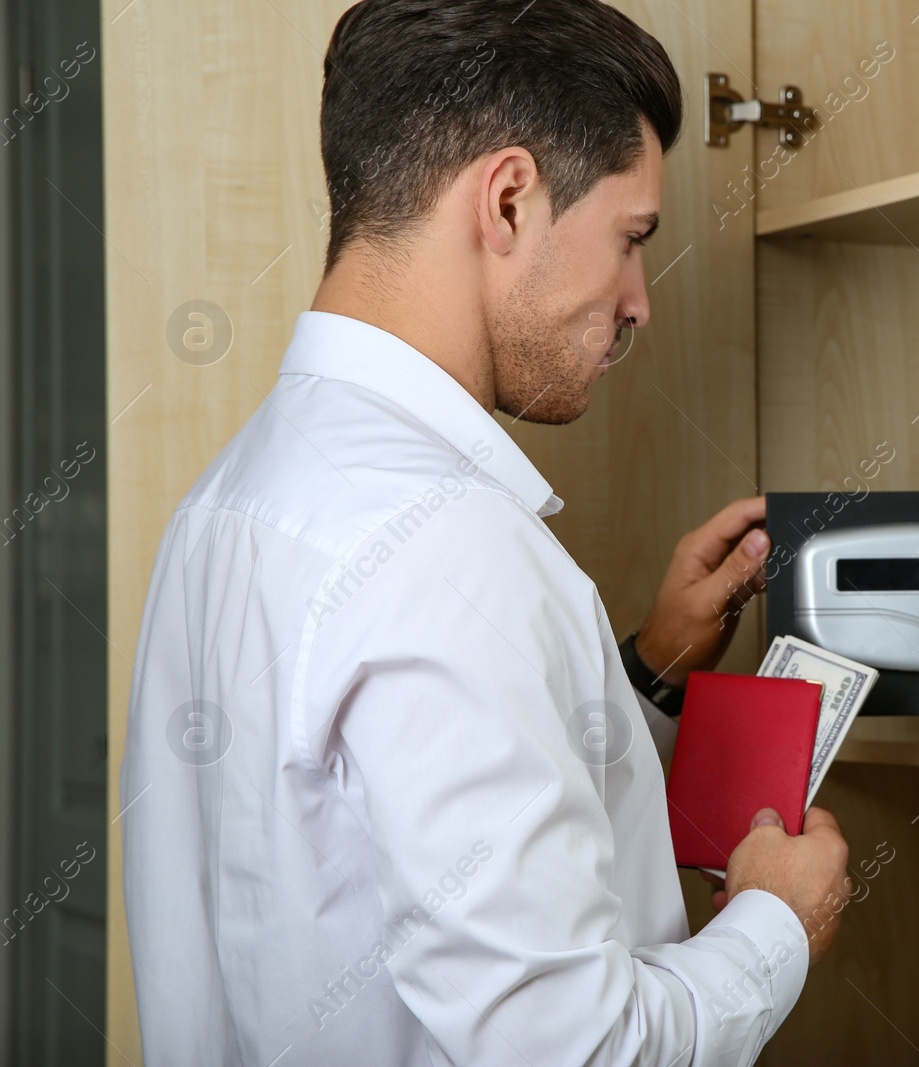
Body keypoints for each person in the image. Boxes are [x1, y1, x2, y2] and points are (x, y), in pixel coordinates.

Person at [118, 1, 850, 1063]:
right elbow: (575, 1049)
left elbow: (355, 841)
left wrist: (642, 674)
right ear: (507, 201)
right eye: (631, 238)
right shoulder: (448, 548)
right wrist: (778, 924)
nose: (639, 303)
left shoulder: (230, 497)